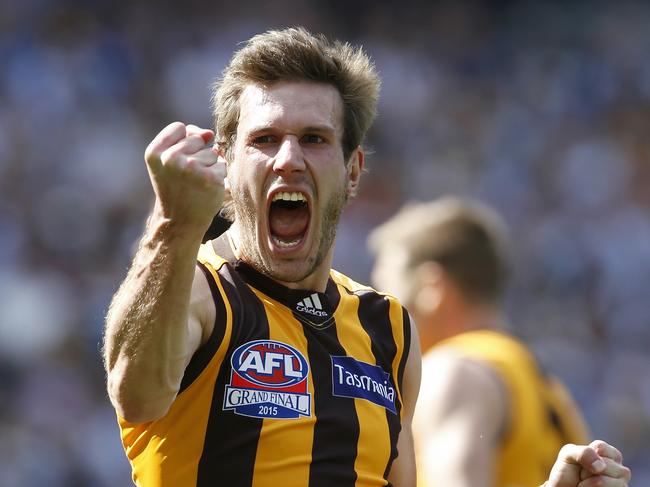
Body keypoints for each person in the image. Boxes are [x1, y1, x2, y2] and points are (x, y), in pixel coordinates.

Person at [102, 27, 630, 487]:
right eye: (264, 139)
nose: (288, 159)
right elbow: (137, 397)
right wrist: (173, 224)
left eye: (314, 139)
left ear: (352, 170)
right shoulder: (196, 289)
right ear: (228, 164)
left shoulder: (390, 328)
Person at [369, 197, 631, 487]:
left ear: (433, 288)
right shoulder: (543, 383)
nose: (377, 312)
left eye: (388, 293)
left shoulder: (455, 372)